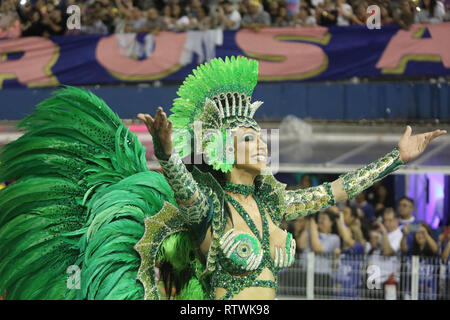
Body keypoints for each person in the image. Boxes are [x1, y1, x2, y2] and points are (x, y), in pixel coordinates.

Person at [0, 56, 446, 300]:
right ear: (227, 151)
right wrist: (168, 152)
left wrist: (396, 158)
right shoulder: (212, 207)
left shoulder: (274, 203)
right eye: (252, 138)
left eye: (261, 136)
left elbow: (335, 191)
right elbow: (184, 190)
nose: (263, 144)